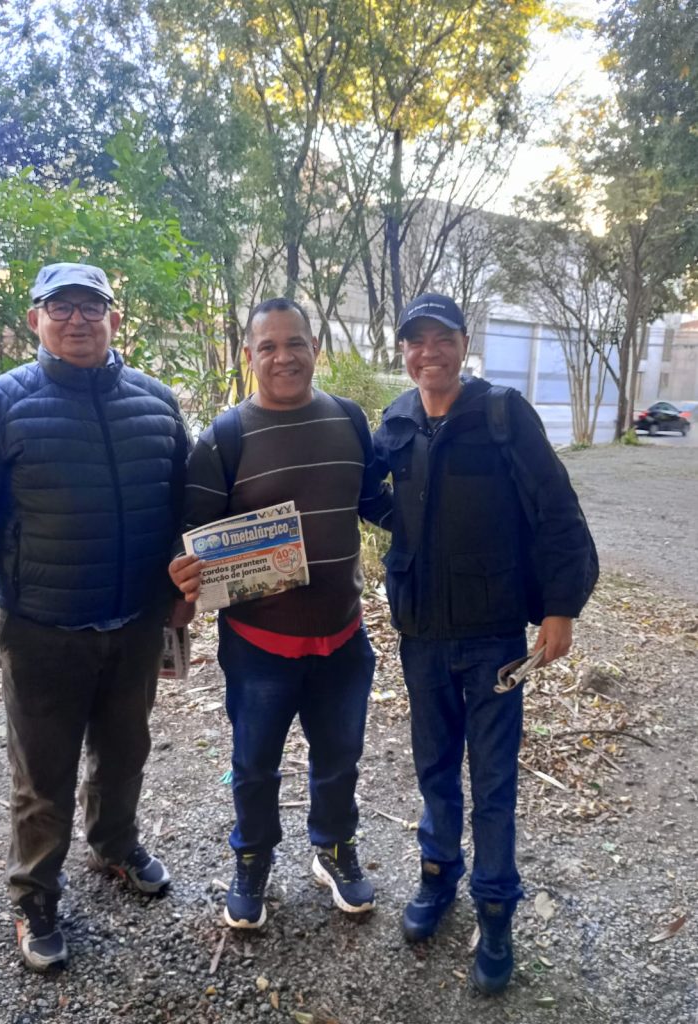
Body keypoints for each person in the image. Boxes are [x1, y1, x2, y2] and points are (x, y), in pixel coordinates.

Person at [0, 263, 191, 972]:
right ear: (36, 319)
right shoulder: (1, 404)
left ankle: (114, 846)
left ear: (114, 319)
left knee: (125, 753)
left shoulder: (157, 404)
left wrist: (185, 584)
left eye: (91, 307)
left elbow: (184, 508)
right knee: (42, 777)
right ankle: (36, 893)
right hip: (42, 630)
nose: (78, 320)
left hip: (136, 625)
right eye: (61, 307)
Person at [373, 292, 595, 994]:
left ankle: (496, 910)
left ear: (464, 345)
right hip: (420, 635)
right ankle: (438, 876)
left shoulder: (502, 414)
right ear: (403, 351)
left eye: (442, 339)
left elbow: (557, 510)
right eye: (416, 341)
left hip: (494, 637)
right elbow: (372, 497)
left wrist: (559, 609)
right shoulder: (396, 422)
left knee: (493, 782)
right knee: (434, 769)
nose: (428, 352)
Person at [169, 297, 391, 929]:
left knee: (340, 758)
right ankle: (253, 859)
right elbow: (190, 533)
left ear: (316, 348)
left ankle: (334, 848)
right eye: (268, 346)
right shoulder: (225, 437)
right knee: (253, 765)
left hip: (344, 636)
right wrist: (181, 573)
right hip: (259, 645)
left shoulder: (349, 419)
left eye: (295, 343)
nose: (283, 357)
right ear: (249, 356)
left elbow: (374, 501)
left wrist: (440, 523)